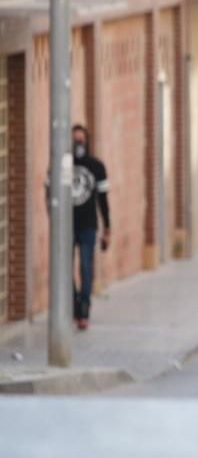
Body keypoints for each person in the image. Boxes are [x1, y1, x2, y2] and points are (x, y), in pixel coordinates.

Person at [70, 124, 110, 331]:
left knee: (86, 267)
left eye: (81, 141)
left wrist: (107, 229)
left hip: (88, 226)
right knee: (65, 271)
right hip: (66, 229)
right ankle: (75, 304)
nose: (78, 145)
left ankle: (84, 307)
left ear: (87, 141)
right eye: (75, 141)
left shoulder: (97, 166)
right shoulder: (62, 166)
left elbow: (103, 201)